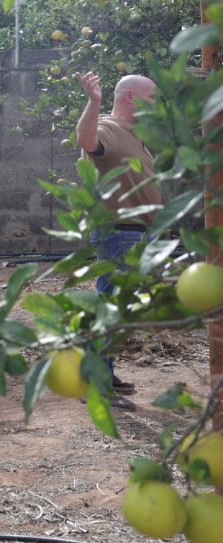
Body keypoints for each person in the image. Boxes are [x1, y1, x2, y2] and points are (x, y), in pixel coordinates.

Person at [76, 70, 163, 404]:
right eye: (152, 97)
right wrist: (93, 102)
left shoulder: (133, 135)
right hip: (120, 234)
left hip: (137, 234)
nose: (155, 104)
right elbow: (86, 141)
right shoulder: (109, 128)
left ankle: (104, 374)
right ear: (130, 97)